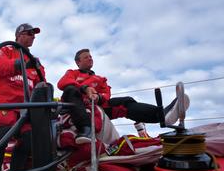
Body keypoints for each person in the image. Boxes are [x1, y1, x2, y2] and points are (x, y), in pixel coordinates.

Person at [57, 48, 189, 141]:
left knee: (126, 101)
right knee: (70, 89)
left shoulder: (100, 79)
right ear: (78, 62)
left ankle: (161, 115)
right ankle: (85, 129)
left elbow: (106, 94)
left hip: (97, 105)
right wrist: (84, 88)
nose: (90, 58)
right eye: (86, 57)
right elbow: (63, 83)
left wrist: (99, 97)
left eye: (91, 56)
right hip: (76, 106)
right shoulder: (72, 73)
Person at [0, 23, 46, 171]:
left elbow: (42, 84)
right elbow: (1, 67)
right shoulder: (5, 50)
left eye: (34, 35)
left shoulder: (36, 63)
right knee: (2, 136)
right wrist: (23, 65)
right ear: (19, 35)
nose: (33, 37)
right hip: (5, 106)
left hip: (26, 110)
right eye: (29, 33)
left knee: (29, 139)